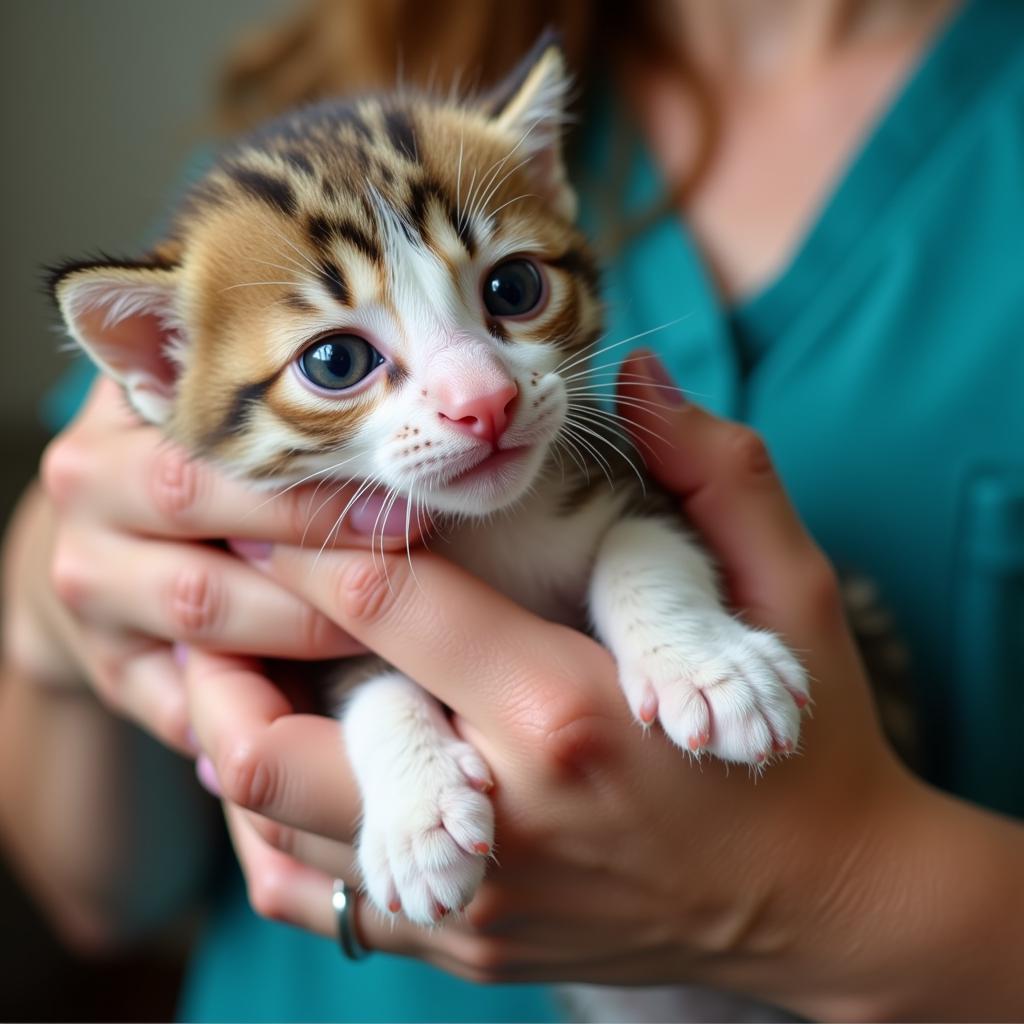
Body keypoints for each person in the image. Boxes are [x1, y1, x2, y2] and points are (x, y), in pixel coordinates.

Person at [2, 0, 1023, 1019]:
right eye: (340, 359)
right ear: (159, 363)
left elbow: (628, 540)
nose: (479, 394)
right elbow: (98, 894)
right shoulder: (277, 170)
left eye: (509, 290)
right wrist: (54, 609)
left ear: (546, 181)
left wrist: (834, 891)